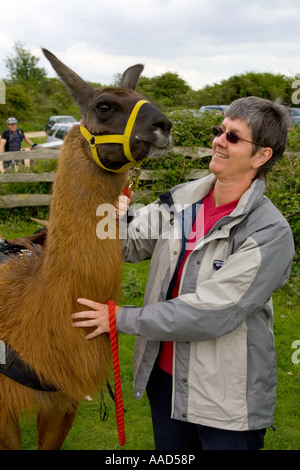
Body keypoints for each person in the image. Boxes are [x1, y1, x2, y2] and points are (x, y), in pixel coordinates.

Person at [71, 96, 295, 450]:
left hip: (225, 403)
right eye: (219, 131)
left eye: (233, 137)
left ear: (261, 156)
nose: (219, 141)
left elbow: (214, 312)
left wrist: (121, 318)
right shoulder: (183, 200)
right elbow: (126, 245)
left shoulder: (269, 232)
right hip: (165, 386)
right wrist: (108, 206)